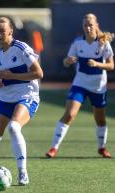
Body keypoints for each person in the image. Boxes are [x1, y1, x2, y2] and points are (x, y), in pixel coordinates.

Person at [0, 17, 43, 186]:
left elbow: (39, 73)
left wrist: (13, 75)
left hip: (26, 96)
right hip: (5, 98)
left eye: (2, 31)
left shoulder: (21, 48)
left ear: (11, 32)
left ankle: (23, 172)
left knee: (14, 127)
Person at [45, 13, 114, 159]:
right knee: (69, 114)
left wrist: (97, 64)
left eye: (90, 25)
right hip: (80, 84)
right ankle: (53, 148)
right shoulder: (77, 43)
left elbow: (111, 65)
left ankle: (102, 148)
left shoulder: (103, 43)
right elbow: (65, 62)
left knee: (100, 120)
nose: (88, 28)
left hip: (98, 87)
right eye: (85, 25)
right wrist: (68, 61)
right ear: (83, 27)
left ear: (96, 25)